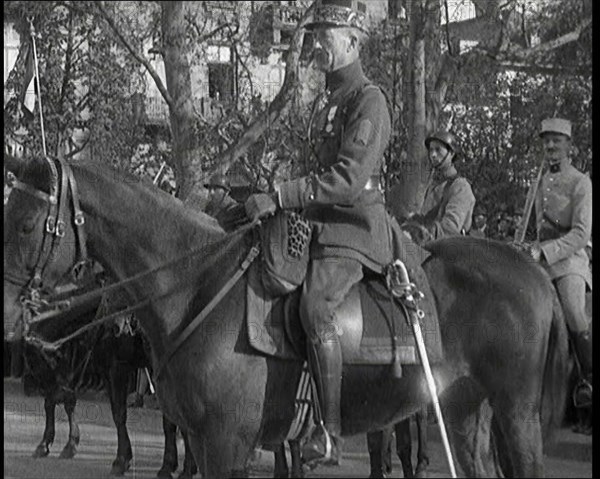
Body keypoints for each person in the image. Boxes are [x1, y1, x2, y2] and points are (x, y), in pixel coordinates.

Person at [243, 0, 392, 466]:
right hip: (320, 223)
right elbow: (315, 171)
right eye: (316, 35)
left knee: (316, 306)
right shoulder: (328, 101)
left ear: (351, 41)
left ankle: (329, 433)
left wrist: (284, 194)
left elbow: (348, 179)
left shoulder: (369, 99)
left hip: (354, 228)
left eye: (325, 35)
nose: (317, 44)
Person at [528, 117, 592, 407]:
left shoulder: (580, 182)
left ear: (569, 146)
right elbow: (535, 227)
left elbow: (581, 234)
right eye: (546, 140)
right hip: (539, 261)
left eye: (556, 140)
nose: (550, 145)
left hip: (570, 262)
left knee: (573, 311)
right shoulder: (539, 182)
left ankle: (587, 379)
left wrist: (547, 251)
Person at [402, 131, 475, 244]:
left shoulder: (461, 186)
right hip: (430, 246)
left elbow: (450, 229)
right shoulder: (434, 185)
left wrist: (417, 230)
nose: (433, 155)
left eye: (438, 150)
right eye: (431, 150)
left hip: (451, 253)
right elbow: (427, 219)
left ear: (451, 153)